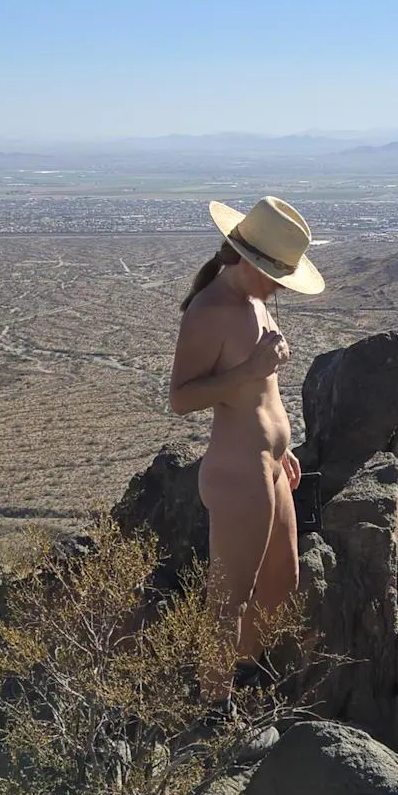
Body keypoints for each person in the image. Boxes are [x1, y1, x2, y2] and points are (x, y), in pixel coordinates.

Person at [168, 196, 325, 681]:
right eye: (279, 274)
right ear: (255, 261)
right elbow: (181, 398)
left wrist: (284, 447)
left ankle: (245, 674)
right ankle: (214, 707)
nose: (282, 286)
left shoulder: (253, 300)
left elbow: (261, 396)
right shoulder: (210, 309)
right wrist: (250, 368)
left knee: (282, 582)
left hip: (272, 464)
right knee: (229, 602)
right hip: (239, 470)